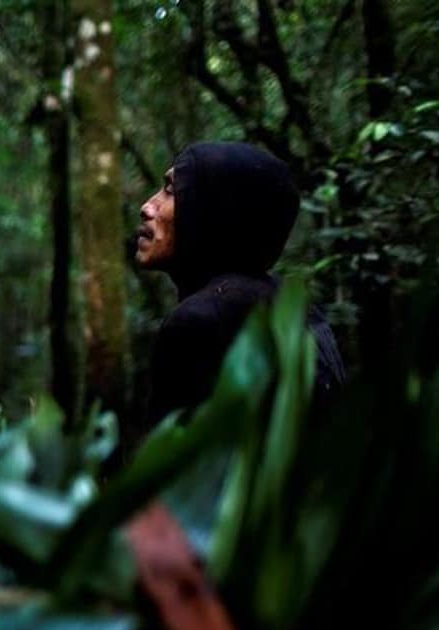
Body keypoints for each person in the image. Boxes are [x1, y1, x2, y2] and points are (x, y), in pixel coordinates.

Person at [134, 141, 346, 427]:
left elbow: (175, 464)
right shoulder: (300, 310)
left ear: (213, 209)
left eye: (170, 191)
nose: (147, 207)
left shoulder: (197, 323)